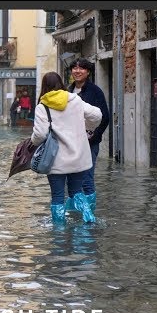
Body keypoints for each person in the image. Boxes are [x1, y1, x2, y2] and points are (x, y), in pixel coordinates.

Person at [31, 72, 102, 224]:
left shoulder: (42, 107)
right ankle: (89, 217)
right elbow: (97, 115)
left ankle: (59, 232)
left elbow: (40, 134)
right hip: (78, 158)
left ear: (44, 87)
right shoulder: (75, 100)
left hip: (56, 160)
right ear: (61, 84)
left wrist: (32, 142)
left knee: (57, 196)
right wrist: (88, 129)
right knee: (76, 191)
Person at [66, 58, 110, 213]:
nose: (77, 71)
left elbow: (105, 117)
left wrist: (95, 137)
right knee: (71, 178)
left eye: (81, 68)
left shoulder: (95, 91)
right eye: (74, 68)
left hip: (90, 142)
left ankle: (89, 214)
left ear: (88, 72)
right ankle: (75, 211)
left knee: (86, 178)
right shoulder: (68, 91)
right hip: (71, 143)